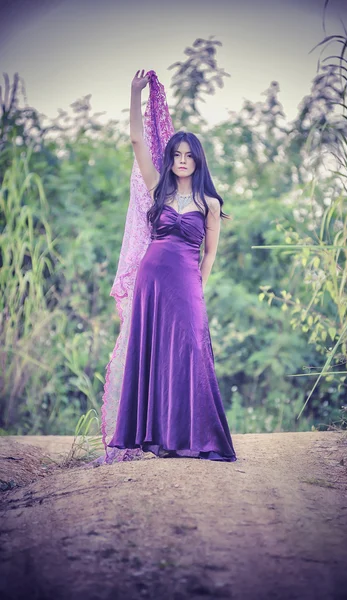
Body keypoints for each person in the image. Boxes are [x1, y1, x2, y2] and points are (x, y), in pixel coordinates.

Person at [93, 70, 237, 464]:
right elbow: (137, 139)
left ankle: (200, 438)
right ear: (170, 159)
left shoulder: (210, 203)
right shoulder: (158, 187)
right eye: (177, 154)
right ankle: (157, 439)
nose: (183, 161)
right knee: (154, 352)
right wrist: (134, 92)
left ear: (199, 160)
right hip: (151, 280)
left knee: (191, 349)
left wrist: (199, 285)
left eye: (189, 155)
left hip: (187, 281)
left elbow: (209, 253)